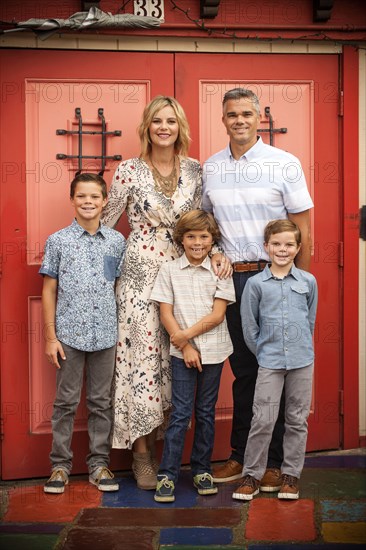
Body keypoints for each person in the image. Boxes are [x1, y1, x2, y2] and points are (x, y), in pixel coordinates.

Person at [101, 96, 231, 490]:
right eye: (156, 120)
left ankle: (174, 451)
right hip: (139, 274)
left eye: (170, 121)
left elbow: (209, 220)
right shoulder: (128, 171)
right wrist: (100, 281)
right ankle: (142, 452)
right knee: (141, 363)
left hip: (186, 273)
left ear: (180, 127)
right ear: (147, 126)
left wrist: (219, 251)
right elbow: (107, 226)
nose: (163, 127)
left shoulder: (195, 170)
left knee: (179, 354)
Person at [202, 87, 314, 491]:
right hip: (233, 283)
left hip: (276, 278)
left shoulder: (283, 164)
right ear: (224, 119)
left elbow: (303, 227)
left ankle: (276, 463)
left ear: (258, 117)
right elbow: (208, 222)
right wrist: (215, 250)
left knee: (279, 368)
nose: (240, 121)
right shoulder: (212, 168)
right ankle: (241, 457)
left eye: (247, 114)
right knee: (247, 372)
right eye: (232, 114)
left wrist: (297, 283)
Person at [40, 173, 126, 494]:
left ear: (105, 201)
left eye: (94, 197)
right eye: (81, 197)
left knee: (101, 402)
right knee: (65, 402)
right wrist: (51, 336)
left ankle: (98, 464)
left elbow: (118, 285)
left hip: (106, 336)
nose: (88, 202)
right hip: (68, 338)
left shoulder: (117, 242)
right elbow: (49, 290)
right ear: (72, 200)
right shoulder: (59, 241)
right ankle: (60, 466)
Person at [149, 210, 235, 502]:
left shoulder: (221, 271)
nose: (197, 242)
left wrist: (187, 336)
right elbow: (165, 312)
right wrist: (184, 345)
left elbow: (218, 314)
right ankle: (167, 475)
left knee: (205, 412)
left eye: (204, 237)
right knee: (181, 413)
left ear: (212, 241)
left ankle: (201, 470)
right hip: (181, 354)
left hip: (214, 351)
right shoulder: (170, 270)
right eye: (191, 236)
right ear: (181, 239)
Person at [233, 219, 318, 500]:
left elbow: (310, 319)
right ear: (267, 246)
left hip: (301, 361)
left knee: (296, 419)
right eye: (277, 244)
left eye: (289, 244)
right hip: (269, 362)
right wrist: (265, 354)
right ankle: (252, 475)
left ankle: (290, 475)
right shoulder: (256, 284)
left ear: (298, 248)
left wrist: (300, 346)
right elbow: (249, 327)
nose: (283, 249)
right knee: (263, 419)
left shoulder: (308, 282)